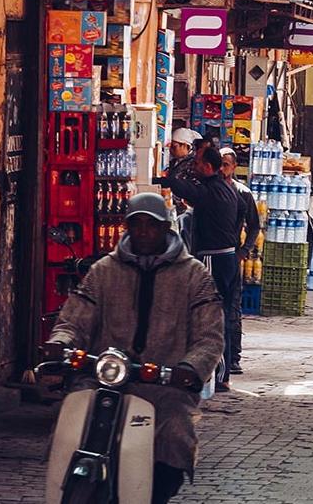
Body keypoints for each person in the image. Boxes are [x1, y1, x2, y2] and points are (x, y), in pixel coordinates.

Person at [46, 192, 224, 504]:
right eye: (136, 224)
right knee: (70, 420)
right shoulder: (104, 270)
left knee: (175, 433)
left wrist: (190, 368)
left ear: (165, 229)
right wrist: (60, 344)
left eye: (151, 225)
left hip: (163, 384)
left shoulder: (194, 275)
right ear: (126, 227)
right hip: (103, 378)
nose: (143, 231)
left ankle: (156, 495)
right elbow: (74, 317)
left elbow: (210, 335)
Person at [160, 145, 242, 391]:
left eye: (197, 163)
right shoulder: (227, 189)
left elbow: (179, 186)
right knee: (223, 313)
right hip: (228, 257)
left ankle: (216, 374)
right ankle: (222, 374)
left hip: (213, 257)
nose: (195, 167)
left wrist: (171, 173)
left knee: (212, 315)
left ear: (208, 167)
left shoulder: (210, 192)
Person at [219, 147, 260, 376]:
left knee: (233, 307)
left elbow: (255, 225)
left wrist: (244, 250)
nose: (223, 169)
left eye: (226, 164)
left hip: (232, 255)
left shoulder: (242, 193)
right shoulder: (211, 190)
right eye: (220, 164)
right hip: (212, 255)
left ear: (234, 167)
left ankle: (233, 357)